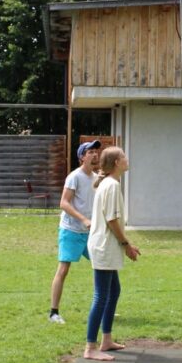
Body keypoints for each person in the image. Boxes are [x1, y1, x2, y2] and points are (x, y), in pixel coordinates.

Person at [83, 146, 140, 361]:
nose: (127, 159)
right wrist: (127, 245)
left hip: (104, 245)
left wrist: (126, 245)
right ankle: (90, 348)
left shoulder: (108, 184)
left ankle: (106, 340)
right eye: (123, 156)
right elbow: (112, 220)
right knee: (101, 296)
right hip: (104, 246)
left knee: (114, 291)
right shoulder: (112, 186)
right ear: (117, 162)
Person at [49, 139, 101, 324]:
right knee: (63, 270)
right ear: (82, 157)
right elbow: (63, 203)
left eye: (96, 151)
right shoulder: (74, 176)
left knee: (101, 266)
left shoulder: (96, 178)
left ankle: (100, 306)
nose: (95, 154)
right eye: (90, 152)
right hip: (71, 230)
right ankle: (54, 313)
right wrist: (84, 219)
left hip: (89, 232)